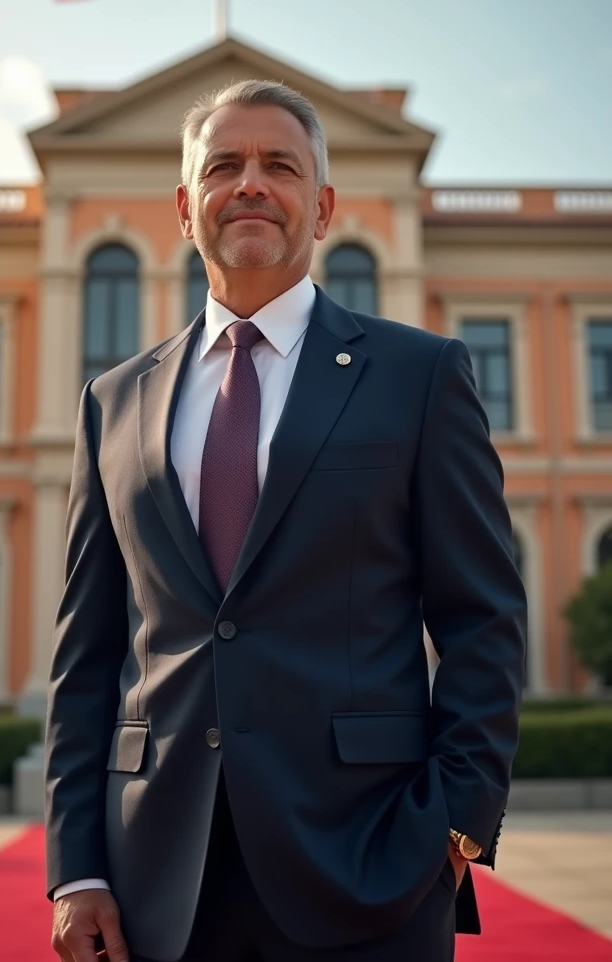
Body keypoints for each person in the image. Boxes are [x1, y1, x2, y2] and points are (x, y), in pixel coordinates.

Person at [45, 79, 527, 962]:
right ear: (187, 211)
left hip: (370, 866)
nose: (251, 184)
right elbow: (87, 656)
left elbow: (483, 622)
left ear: (324, 205)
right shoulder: (111, 404)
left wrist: (455, 830)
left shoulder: (420, 377)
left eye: (280, 165)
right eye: (223, 166)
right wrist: (75, 870)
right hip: (156, 883)